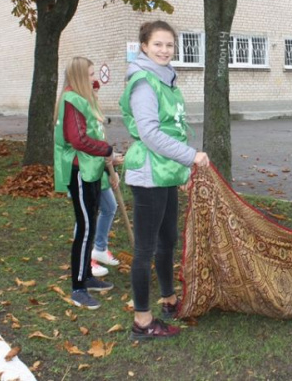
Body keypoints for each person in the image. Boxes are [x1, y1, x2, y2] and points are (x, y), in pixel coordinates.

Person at [120, 20, 209, 341]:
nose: (164, 50)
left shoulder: (167, 80)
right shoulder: (144, 82)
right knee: (144, 249)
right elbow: (151, 134)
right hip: (148, 173)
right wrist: (191, 157)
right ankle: (142, 321)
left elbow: (174, 129)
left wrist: (182, 172)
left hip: (166, 171)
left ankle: (169, 299)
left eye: (169, 45)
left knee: (167, 239)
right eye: (158, 44)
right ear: (144, 46)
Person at [53, 56, 115, 310]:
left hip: (90, 169)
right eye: (90, 74)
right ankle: (78, 287)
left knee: (89, 221)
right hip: (79, 170)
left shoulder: (81, 98)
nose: (94, 78)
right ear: (79, 76)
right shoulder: (71, 100)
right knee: (86, 226)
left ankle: (86, 278)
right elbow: (78, 139)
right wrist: (106, 149)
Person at [90, 80, 122, 277]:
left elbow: (102, 145)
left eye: (97, 91)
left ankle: (100, 248)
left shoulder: (95, 113)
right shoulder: (81, 112)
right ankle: (87, 260)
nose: (96, 94)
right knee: (86, 216)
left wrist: (112, 163)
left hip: (100, 169)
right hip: (86, 172)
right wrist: (109, 162)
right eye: (92, 91)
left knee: (109, 207)